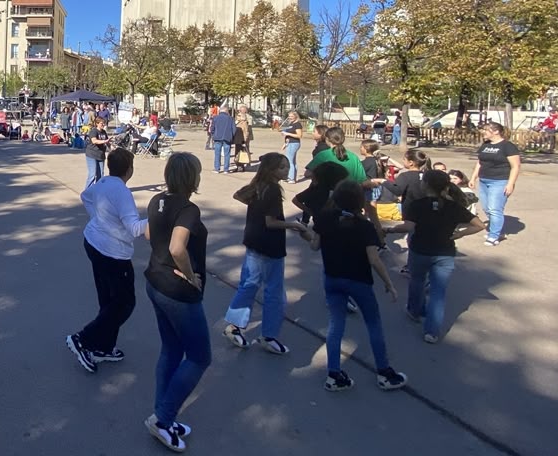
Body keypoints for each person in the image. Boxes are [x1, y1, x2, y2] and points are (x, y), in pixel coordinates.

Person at [310, 180, 408, 392]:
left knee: (336, 325)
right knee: (373, 324)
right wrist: (389, 283)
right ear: (360, 202)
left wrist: (304, 231)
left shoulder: (325, 219)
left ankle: (334, 374)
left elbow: (314, 245)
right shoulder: (364, 227)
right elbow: (374, 259)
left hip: (332, 278)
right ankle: (383, 372)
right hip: (359, 281)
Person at [142, 153, 208, 452]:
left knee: (171, 349)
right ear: (191, 177)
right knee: (199, 357)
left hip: (154, 281)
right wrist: (192, 276)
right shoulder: (188, 208)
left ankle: (162, 415)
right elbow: (177, 246)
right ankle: (163, 418)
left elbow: (148, 233)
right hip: (177, 291)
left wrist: (165, 255)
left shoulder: (158, 200)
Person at [66, 149, 148, 373]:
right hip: (112, 253)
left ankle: (104, 347)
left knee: (108, 301)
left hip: (94, 242)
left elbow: (85, 196)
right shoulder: (121, 191)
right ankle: (83, 339)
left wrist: (99, 219)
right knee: (124, 304)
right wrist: (156, 220)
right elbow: (134, 228)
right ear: (130, 169)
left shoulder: (103, 183)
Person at [224, 153, 310, 354]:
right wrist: (295, 226)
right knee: (273, 292)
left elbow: (239, 195)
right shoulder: (270, 189)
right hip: (269, 245)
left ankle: (235, 326)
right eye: (282, 167)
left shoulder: (258, 186)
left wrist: (256, 208)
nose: (285, 170)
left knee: (250, 284)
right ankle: (268, 334)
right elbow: (270, 222)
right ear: (271, 170)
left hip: (255, 241)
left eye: (286, 166)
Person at [385, 171, 485, 343]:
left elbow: (408, 226)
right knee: (438, 291)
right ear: (446, 186)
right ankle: (432, 331)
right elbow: (479, 225)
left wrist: (389, 230)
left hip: (420, 250)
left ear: (425, 185)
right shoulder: (453, 206)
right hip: (444, 252)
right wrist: (460, 234)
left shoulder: (418, 205)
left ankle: (414, 311)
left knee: (417, 281)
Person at [469, 122, 520, 246]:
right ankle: (497, 231)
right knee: (486, 208)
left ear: (496, 131)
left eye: (486, 130)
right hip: (484, 180)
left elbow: (515, 166)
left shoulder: (508, 146)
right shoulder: (485, 145)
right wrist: (473, 178)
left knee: (494, 209)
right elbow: (480, 162)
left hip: (500, 181)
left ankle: (494, 236)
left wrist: (510, 184)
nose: (483, 132)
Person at [84, 117, 111, 190]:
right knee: (92, 174)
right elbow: (94, 141)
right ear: (97, 124)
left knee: (101, 174)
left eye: (104, 123)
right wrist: (104, 141)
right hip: (92, 154)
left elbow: (107, 142)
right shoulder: (94, 131)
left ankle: (99, 190)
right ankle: (87, 191)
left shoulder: (104, 132)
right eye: (101, 123)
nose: (103, 125)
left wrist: (111, 148)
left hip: (101, 155)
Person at [209, 105, 236, 174]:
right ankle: (226, 169)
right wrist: (231, 136)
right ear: (227, 111)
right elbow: (234, 129)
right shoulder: (231, 119)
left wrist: (213, 134)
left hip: (217, 137)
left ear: (220, 111)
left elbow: (212, 128)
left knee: (217, 153)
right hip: (227, 138)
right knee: (227, 154)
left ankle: (217, 169)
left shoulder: (215, 118)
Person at [280, 111, 304, 183]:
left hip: (294, 143)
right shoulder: (291, 124)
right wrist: (285, 144)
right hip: (289, 143)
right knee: (292, 161)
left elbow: (299, 135)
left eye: (291, 116)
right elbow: (285, 133)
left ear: (296, 116)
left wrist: (287, 133)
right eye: (289, 116)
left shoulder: (297, 124)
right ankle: (292, 177)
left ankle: (291, 178)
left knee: (289, 161)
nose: (290, 118)